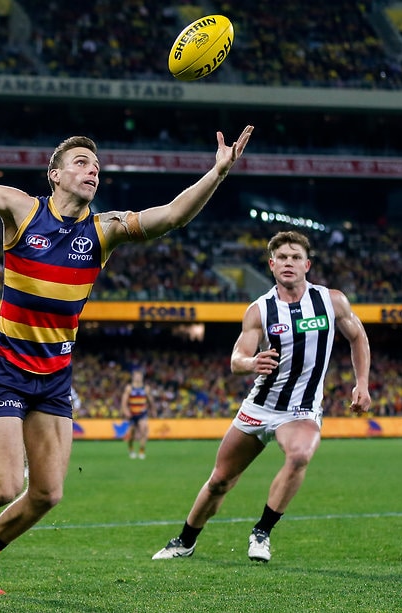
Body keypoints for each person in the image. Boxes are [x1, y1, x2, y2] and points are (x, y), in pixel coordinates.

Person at [0, 126, 254, 594]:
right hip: (6, 368)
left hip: (54, 376)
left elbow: (170, 216)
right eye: (82, 163)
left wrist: (217, 172)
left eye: (97, 166)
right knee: (3, 485)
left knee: (47, 493)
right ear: (55, 174)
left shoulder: (104, 230)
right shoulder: (22, 210)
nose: (92, 171)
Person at [152, 230, 371, 564]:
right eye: (282, 257)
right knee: (220, 481)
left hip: (300, 409)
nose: (288, 263)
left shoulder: (332, 301)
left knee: (299, 455)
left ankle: (262, 531)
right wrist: (251, 363)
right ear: (271, 265)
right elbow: (236, 359)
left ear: (307, 265)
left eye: (296, 257)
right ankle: (185, 541)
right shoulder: (260, 310)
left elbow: (358, 337)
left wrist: (362, 383)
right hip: (259, 407)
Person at [121, 369, 154, 459]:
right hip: (132, 413)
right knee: (132, 434)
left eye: (140, 376)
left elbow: (150, 400)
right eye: (136, 376)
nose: (138, 378)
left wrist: (152, 409)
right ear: (133, 377)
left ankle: (141, 451)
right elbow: (124, 401)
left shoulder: (146, 388)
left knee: (144, 430)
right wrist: (125, 411)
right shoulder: (129, 388)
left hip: (142, 413)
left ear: (142, 377)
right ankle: (131, 449)